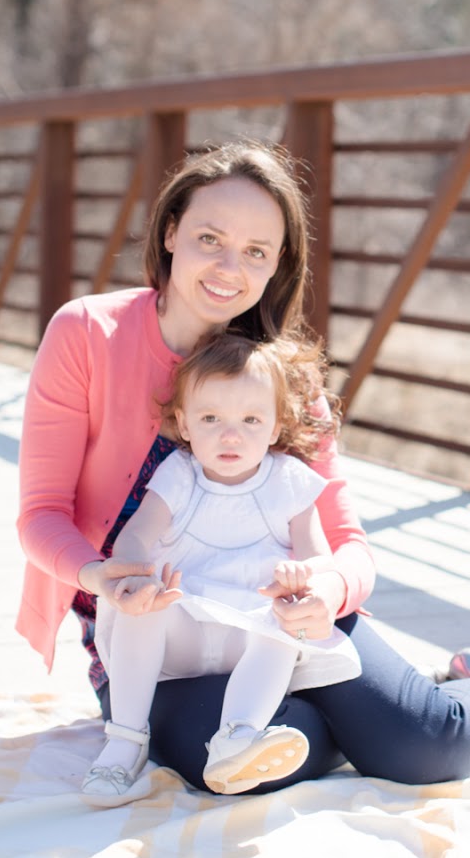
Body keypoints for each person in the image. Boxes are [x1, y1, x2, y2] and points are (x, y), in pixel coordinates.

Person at [17, 140, 470, 801]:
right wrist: (102, 577)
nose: (230, 267)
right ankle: (365, 716)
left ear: (278, 263)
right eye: (210, 237)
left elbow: (350, 545)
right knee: (232, 764)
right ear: (170, 231)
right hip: (156, 626)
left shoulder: (286, 379)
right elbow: (41, 516)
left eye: (257, 251)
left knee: (431, 747)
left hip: (277, 617)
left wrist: (328, 588)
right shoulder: (87, 334)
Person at [81, 332, 364, 805]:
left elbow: (318, 556)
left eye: (251, 419)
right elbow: (137, 533)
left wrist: (305, 578)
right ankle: (124, 742)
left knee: (281, 625)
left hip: (247, 635)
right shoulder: (179, 473)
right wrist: (134, 571)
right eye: (211, 418)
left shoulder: (289, 482)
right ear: (185, 424)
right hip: (184, 626)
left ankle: (238, 737)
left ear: (276, 427)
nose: (230, 434)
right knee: (145, 608)